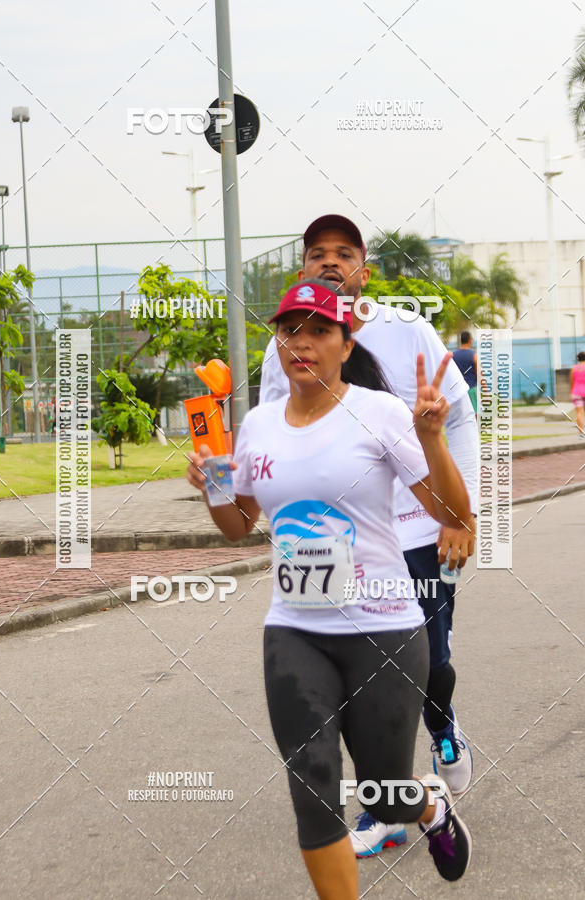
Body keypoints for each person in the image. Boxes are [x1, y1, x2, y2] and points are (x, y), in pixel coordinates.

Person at [187, 280, 473, 897]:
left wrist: (431, 439)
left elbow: (454, 512)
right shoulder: (259, 425)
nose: (303, 343)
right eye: (290, 330)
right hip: (295, 630)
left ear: (346, 343)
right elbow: (238, 525)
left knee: (383, 792)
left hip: (386, 628)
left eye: (319, 330)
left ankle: (427, 809)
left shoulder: (381, 413)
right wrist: (212, 484)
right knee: (313, 788)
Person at [260, 215, 478, 857]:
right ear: (302, 269)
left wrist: (458, 518)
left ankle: (443, 726)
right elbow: (281, 432)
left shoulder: (405, 328)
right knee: (351, 680)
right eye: (317, 254)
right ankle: (382, 809)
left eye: (344, 254)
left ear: (365, 269)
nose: (330, 262)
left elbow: (457, 416)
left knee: (429, 664)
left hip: (418, 529)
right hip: (334, 543)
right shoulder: (287, 345)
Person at [452, 331, 478, 413]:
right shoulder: (474, 355)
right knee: (474, 414)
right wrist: (486, 392)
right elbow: (480, 374)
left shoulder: (453, 355)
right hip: (470, 390)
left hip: (458, 391)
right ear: (470, 340)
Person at [570, 351, 585, 437]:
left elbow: (572, 381)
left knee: (579, 412)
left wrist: (571, 391)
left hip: (576, 392)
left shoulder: (574, 368)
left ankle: (581, 433)